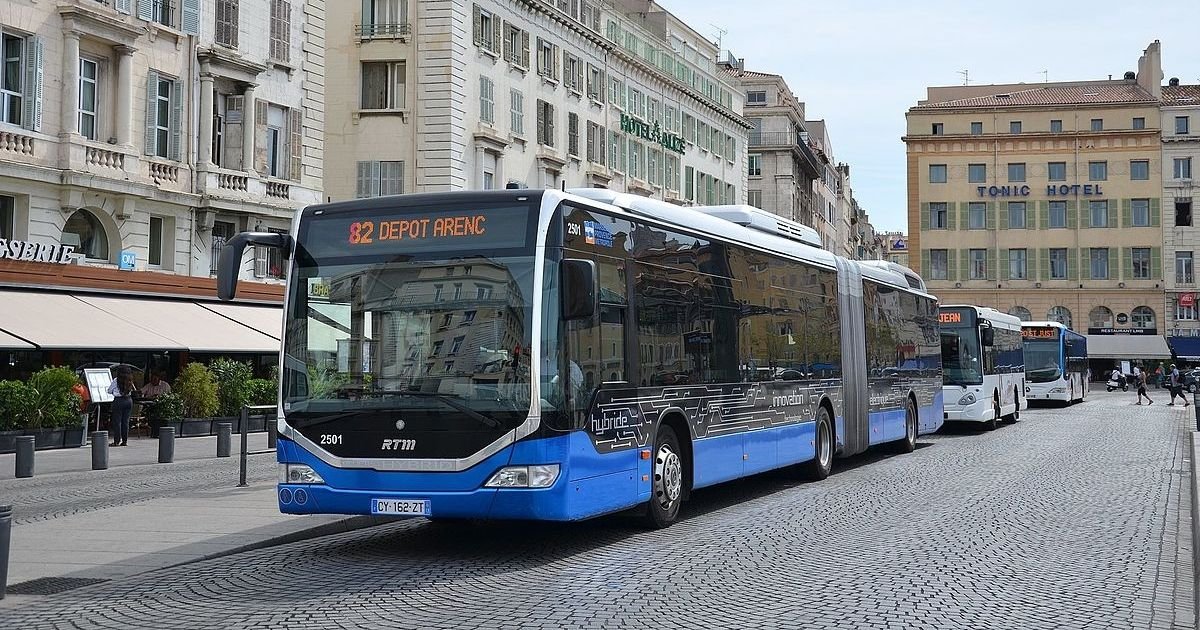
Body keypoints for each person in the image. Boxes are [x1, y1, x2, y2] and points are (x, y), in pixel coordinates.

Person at [107, 367, 136, 446]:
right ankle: (124, 441)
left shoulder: (116, 380)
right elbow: (133, 390)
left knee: (117, 421)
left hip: (119, 400)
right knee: (125, 421)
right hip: (129, 400)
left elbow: (109, 390)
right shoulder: (130, 380)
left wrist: (114, 391)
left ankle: (116, 440)